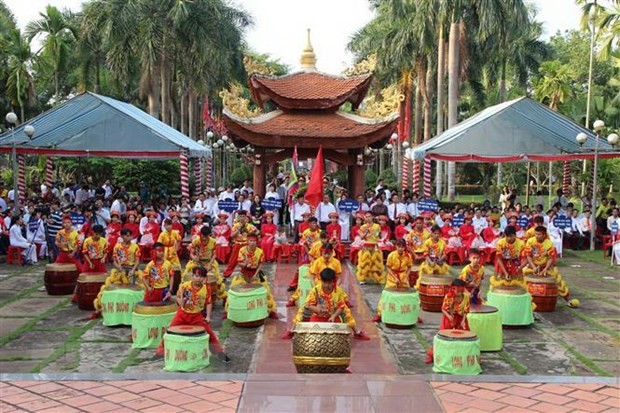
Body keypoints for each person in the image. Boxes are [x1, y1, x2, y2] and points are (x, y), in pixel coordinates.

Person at [155, 266, 231, 363]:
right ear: (192, 276)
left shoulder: (207, 288)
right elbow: (178, 297)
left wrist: (208, 316)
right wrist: (180, 302)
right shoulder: (184, 286)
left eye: (201, 277)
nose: (198, 278)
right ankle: (160, 353)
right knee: (169, 331)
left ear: (204, 278)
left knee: (209, 333)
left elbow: (208, 303)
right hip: (182, 314)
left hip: (196, 316)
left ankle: (219, 353)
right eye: (196, 276)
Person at [282, 268, 370, 342]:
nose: (327, 285)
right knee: (303, 310)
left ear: (333, 282)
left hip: (333, 316)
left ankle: (357, 332)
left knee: (345, 313)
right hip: (318, 316)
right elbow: (309, 305)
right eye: (325, 282)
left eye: (330, 283)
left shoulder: (339, 291)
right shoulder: (316, 290)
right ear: (321, 281)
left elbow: (341, 307)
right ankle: (292, 330)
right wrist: (317, 309)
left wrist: (334, 316)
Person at [92, 228, 141, 317]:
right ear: (122, 236)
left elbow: (137, 260)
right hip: (120, 269)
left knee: (131, 290)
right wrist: (118, 267)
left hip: (131, 269)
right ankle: (121, 309)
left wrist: (133, 270)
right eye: (127, 235)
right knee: (120, 290)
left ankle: (132, 309)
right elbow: (114, 260)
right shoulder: (117, 247)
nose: (129, 237)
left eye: (130, 235)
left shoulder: (135, 246)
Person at [523, 226, 576, 307]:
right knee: (519, 277)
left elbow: (550, 258)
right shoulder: (530, 241)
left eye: (539, 234)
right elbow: (528, 256)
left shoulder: (549, 243)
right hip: (532, 266)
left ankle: (568, 300)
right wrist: (533, 267)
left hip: (546, 266)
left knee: (558, 281)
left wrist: (545, 269)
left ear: (544, 235)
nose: (537, 236)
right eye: (536, 234)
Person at [227, 235, 278, 319]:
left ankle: (271, 311)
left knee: (265, 292)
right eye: (250, 241)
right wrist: (245, 263)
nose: (252, 243)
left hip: (255, 274)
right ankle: (229, 311)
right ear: (247, 241)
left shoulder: (260, 251)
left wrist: (255, 275)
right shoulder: (242, 250)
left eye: (254, 241)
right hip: (243, 273)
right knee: (234, 290)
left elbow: (260, 264)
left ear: (256, 242)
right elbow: (240, 263)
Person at [425, 279, 471, 364]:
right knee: (443, 337)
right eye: (458, 291)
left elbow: (466, 311)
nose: (460, 293)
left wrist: (463, 321)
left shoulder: (466, 297)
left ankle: (466, 356)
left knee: (466, 336)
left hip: (461, 318)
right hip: (448, 317)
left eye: (461, 291)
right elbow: (443, 309)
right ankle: (432, 355)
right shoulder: (449, 296)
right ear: (453, 288)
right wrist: (449, 317)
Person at [185, 226, 227, 307]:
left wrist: (210, 265)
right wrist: (194, 258)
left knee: (217, 279)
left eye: (206, 236)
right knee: (187, 275)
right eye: (203, 236)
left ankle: (217, 296)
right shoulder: (196, 241)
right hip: (197, 262)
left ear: (209, 235)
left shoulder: (213, 241)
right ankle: (190, 296)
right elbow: (191, 253)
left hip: (209, 262)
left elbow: (214, 255)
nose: (204, 238)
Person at [372, 239, 413, 322]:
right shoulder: (391, 255)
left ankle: (410, 313)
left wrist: (406, 277)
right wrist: (395, 278)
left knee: (408, 296)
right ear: (396, 246)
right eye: (399, 246)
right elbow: (388, 267)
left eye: (402, 247)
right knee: (387, 295)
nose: (400, 249)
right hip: (392, 278)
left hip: (403, 277)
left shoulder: (408, 256)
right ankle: (380, 314)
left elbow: (409, 267)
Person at [222, 211, 257, 278]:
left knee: (249, 260)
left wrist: (247, 232)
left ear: (246, 217)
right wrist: (237, 231)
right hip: (237, 244)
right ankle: (226, 275)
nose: (242, 218)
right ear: (238, 217)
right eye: (240, 216)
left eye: (243, 216)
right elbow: (231, 236)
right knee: (232, 261)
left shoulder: (249, 226)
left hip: (246, 245)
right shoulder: (235, 225)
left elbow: (255, 234)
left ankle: (250, 275)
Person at [491, 226, 526, 290]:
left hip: (515, 263)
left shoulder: (521, 243)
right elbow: (499, 258)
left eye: (511, 236)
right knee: (500, 285)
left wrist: (520, 267)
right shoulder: (500, 243)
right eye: (507, 236)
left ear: (515, 235)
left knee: (516, 286)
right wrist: (505, 273)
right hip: (502, 263)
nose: (509, 238)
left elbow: (526, 259)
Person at [357, 212, 384, 284]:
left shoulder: (377, 226)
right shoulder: (363, 227)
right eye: (366, 217)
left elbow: (379, 236)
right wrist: (367, 231)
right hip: (366, 246)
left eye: (369, 216)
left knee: (376, 262)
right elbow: (361, 237)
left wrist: (380, 237)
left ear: (372, 217)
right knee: (365, 263)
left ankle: (378, 279)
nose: (368, 218)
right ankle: (363, 279)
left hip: (375, 245)